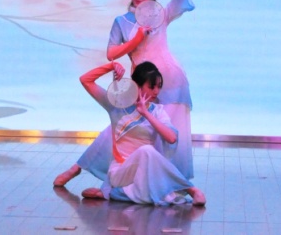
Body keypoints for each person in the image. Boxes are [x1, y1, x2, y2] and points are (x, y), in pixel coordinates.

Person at [54, 0, 204, 187]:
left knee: (164, 135)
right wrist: (136, 40)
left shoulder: (161, 15)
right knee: (119, 128)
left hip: (170, 82)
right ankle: (77, 168)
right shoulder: (122, 22)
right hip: (140, 83)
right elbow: (111, 53)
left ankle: (163, 184)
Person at [78, 60, 205, 206]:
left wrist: (146, 114)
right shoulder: (116, 105)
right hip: (121, 172)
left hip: (144, 172)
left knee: (151, 188)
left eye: (159, 86)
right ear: (136, 86)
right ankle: (191, 189)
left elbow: (171, 138)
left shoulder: (157, 111)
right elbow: (85, 80)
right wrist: (110, 66)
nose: (156, 91)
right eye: (151, 87)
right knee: (147, 151)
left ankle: (114, 194)